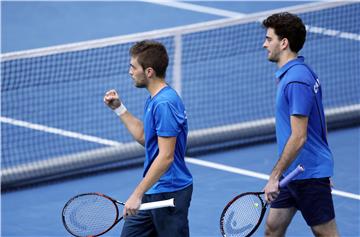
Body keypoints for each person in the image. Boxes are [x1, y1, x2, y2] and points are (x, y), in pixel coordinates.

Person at [104, 40, 193, 237]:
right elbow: (146, 137)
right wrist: (119, 108)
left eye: (133, 67)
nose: (130, 71)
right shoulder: (155, 99)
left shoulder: (164, 104)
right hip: (154, 189)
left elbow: (166, 156)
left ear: (149, 71)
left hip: (169, 192)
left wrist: (136, 194)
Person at [261, 12, 339, 237]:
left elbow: (299, 137)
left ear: (283, 43)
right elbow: (318, 122)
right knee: (273, 229)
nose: (264, 44)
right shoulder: (299, 73)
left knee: (326, 234)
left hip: (307, 173)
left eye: (269, 39)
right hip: (294, 172)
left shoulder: (296, 80)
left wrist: (275, 176)